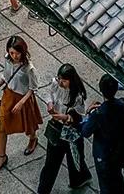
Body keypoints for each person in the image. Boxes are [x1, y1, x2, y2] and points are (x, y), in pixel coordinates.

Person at [38, 64, 92, 194]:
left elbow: (79, 115)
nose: (61, 82)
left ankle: (79, 179)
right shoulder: (56, 84)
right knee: (51, 163)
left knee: (74, 158)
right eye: (60, 79)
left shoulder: (77, 95)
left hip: (71, 131)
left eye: (64, 80)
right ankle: (43, 190)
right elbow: (50, 94)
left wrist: (66, 117)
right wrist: (50, 103)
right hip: (57, 129)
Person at [0, 36, 42, 168]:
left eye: (17, 53)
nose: (14, 56)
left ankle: (33, 138)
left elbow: (33, 88)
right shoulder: (8, 59)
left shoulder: (29, 68)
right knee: (2, 127)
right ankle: (2, 156)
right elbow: (6, 76)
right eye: (12, 53)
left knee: (28, 124)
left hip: (23, 99)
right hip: (9, 95)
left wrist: (21, 103)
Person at [80, 75, 124, 194]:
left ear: (101, 89)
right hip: (120, 151)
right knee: (118, 180)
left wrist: (88, 114)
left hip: (105, 155)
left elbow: (85, 132)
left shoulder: (98, 114)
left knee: (106, 185)